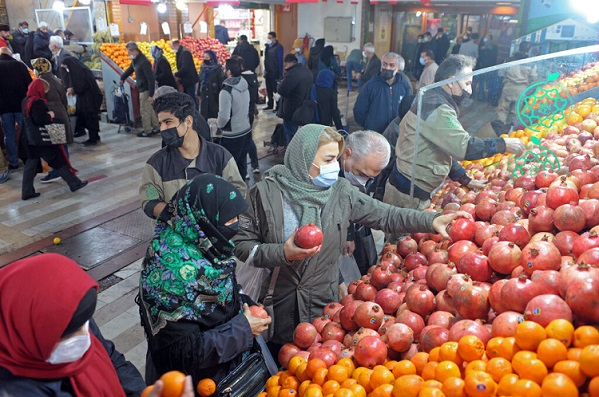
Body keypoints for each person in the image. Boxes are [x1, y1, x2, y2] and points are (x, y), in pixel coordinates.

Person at [233, 124, 471, 353]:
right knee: (282, 366)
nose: (334, 168)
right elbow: (242, 245)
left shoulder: (341, 192)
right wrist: (282, 253)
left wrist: (431, 221)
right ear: (303, 157)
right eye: (327, 160)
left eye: (335, 159)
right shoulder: (263, 194)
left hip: (321, 308)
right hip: (278, 307)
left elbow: (386, 214)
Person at [139, 174, 271, 385]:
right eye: (228, 220)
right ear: (201, 219)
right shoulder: (169, 274)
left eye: (236, 218)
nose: (234, 226)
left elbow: (221, 297)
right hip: (192, 385)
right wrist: (243, 329)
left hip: (225, 373)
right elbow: (181, 353)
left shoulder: (207, 247)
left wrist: (245, 305)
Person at [383, 55, 525, 235]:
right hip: (408, 195)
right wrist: (502, 144)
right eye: (466, 84)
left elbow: (443, 145)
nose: (470, 91)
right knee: (401, 245)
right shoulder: (436, 107)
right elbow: (463, 147)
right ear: (451, 82)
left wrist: (464, 178)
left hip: (411, 188)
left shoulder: (434, 99)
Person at [0, 253, 151, 397]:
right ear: (25, 332)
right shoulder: (15, 390)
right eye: (68, 334)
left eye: (84, 324)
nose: (84, 336)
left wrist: (141, 393)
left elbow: (112, 358)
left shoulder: (73, 318)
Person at [140, 92, 246, 219]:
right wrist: (179, 213)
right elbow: (149, 202)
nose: (162, 129)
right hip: (174, 237)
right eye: (160, 123)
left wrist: (213, 211)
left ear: (188, 121)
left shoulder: (220, 156)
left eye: (168, 122)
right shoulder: (156, 164)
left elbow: (239, 191)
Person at [19, 79, 87, 199]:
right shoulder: (37, 102)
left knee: (30, 166)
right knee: (57, 161)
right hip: (42, 139)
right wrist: (50, 115)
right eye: (44, 91)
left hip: (29, 138)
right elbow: (40, 120)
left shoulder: (25, 100)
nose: (45, 94)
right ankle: (74, 183)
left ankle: (27, 192)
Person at [340, 130, 391, 275]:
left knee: (366, 260)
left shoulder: (367, 169)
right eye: (361, 174)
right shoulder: (328, 175)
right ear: (346, 154)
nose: (365, 181)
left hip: (359, 224)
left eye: (372, 178)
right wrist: (348, 235)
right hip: (339, 230)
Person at [31, 57, 74, 183]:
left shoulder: (41, 82)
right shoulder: (57, 79)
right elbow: (64, 99)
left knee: (54, 146)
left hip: (51, 114)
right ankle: (67, 168)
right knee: (62, 143)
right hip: (61, 112)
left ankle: (57, 171)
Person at [353, 52, 412, 133]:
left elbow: (408, 108)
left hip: (395, 132)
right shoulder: (370, 85)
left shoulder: (404, 85)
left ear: (398, 68)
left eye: (391, 65)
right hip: (374, 133)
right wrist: (369, 125)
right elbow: (359, 110)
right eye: (384, 64)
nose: (387, 68)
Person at [216, 57, 252, 179]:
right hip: (246, 129)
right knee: (242, 164)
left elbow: (224, 117)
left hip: (233, 134)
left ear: (229, 71)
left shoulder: (226, 91)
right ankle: (242, 192)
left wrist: (218, 126)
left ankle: (231, 194)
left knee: (229, 167)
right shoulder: (245, 85)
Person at [493, 42, 536, 134]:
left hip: (508, 87)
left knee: (503, 110)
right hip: (522, 89)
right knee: (515, 112)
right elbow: (534, 78)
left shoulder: (509, 60)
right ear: (529, 50)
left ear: (519, 48)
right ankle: (509, 132)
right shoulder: (531, 63)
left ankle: (499, 131)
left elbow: (500, 73)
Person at [0, 46, 32, 171]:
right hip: (21, 105)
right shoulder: (20, 66)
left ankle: (13, 162)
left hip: (4, 107)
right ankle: (29, 158)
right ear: (11, 54)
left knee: (9, 135)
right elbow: (30, 84)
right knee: (26, 133)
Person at [121, 42, 159, 139]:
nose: (128, 54)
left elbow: (150, 78)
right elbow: (130, 69)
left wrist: (151, 93)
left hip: (145, 89)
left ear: (135, 51)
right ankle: (156, 127)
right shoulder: (136, 61)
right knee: (150, 109)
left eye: (129, 52)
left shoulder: (143, 61)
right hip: (143, 88)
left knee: (144, 110)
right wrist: (123, 78)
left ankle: (147, 130)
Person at [63, 56, 103, 146]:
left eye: (66, 67)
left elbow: (81, 87)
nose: (67, 69)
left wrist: (73, 90)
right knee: (93, 118)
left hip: (89, 99)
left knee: (90, 117)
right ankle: (95, 136)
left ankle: (93, 139)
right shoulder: (82, 69)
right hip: (91, 97)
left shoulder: (79, 72)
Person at [277, 53, 313, 143]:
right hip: (305, 106)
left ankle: (292, 154)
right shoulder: (306, 71)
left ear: (288, 63)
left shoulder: (292, 74)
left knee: (291, 134)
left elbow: (282, 90)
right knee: (301, 133)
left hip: (292, 108)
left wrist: (279, 84)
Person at [236, 55, 260, 175]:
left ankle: (244, 169)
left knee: (245, 139)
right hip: (250, 110)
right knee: (248, 138)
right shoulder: (253, 77)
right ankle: (254, 164)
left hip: (242, 112)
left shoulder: (241, 79)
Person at [198, 49, 224, 121]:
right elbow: (200, 80)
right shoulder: (202, 68)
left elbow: (220, 82)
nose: (205, 59)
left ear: (212, 58)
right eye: (204, 57)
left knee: (214, 113)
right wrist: (199, 93)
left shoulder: (217, 69)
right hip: (204, 94)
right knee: (204, 114)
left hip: (214, 95)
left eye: (207, 57)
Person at [171, 39, 199, 107]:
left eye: (172, 48)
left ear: (176, 45)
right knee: (188, 97)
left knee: (191, 97)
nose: (172, 49)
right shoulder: (180, 52)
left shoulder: (184, 53)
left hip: (189, 79)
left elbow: (185, 68)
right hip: (186, 80)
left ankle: (195, 113)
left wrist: (176, 74)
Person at [264, 31, 284, 110]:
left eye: (270, 38)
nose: (268, 40)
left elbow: (279, 61)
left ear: (274, 38)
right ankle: (270, 104)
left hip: (274, 72)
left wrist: (279, 73)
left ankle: (278, 106)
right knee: (269, 89)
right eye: (268, 38)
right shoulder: (268, 47)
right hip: (268, 71)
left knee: (276, 90)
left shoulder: (278, 47)